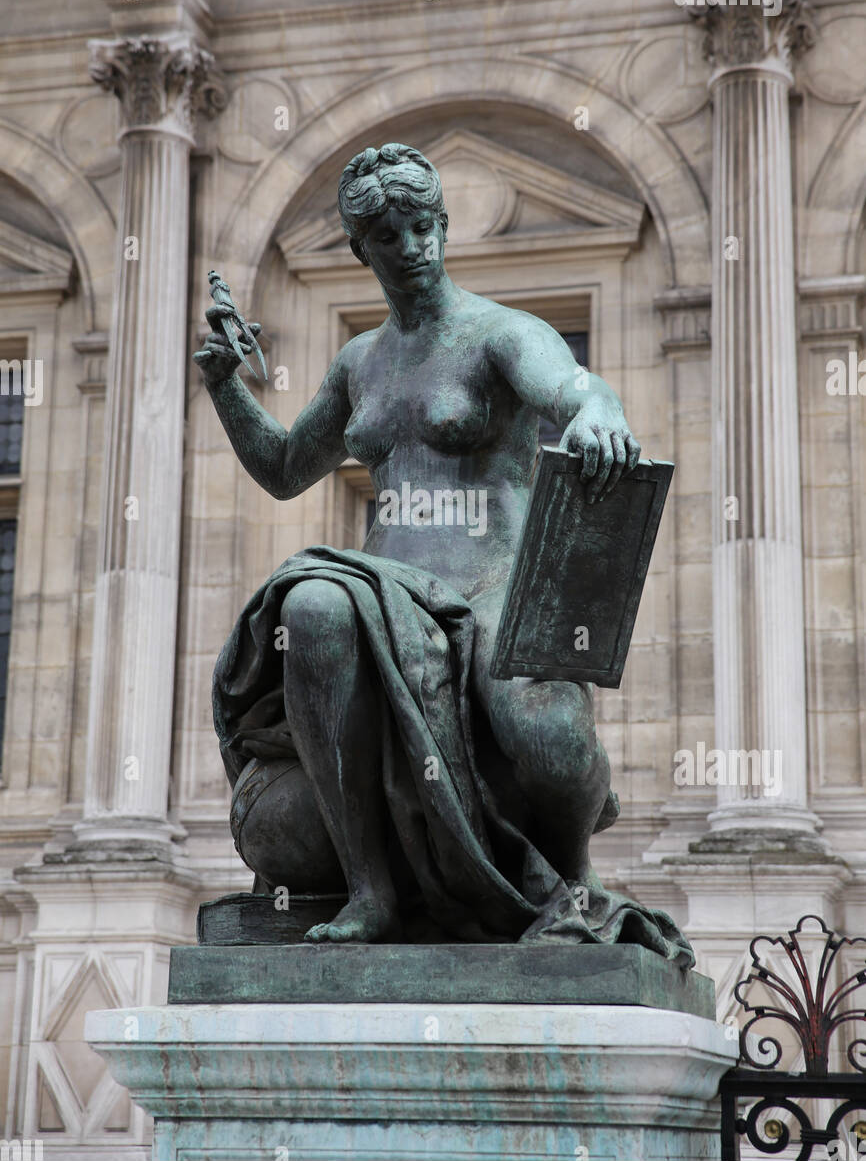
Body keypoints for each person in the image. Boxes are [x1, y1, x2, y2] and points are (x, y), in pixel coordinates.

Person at [195, 142, 693, 966]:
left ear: (443, 226)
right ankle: (370, 889)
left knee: (546, 737)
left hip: (491, 581)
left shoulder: (502, 334)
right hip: (386, 580)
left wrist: (599, 409)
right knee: (312, 604)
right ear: (363, 249)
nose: (413, 247)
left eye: (425, 227)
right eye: (390, 235)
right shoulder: (359, 363)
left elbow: (573, 388)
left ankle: (570, 881)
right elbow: (285, 469)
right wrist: (224, 388)